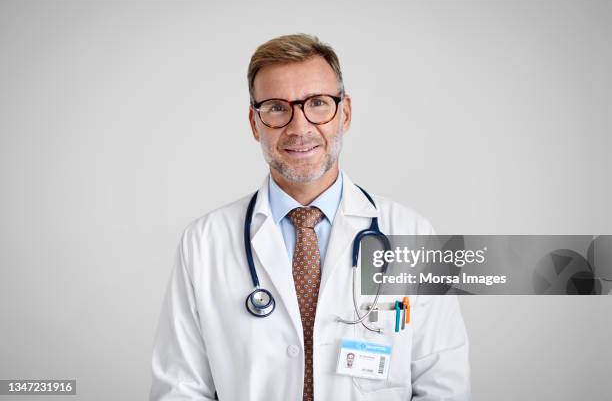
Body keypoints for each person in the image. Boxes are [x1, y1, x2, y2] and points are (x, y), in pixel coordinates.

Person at [150, 33, 470, 401]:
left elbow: (444, 385)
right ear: (254, 123)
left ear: (345, 113)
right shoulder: (204, 243)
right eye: (275, 107)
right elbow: (180, 388)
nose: (299, 127)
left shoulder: (413, 234)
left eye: (317, 103)